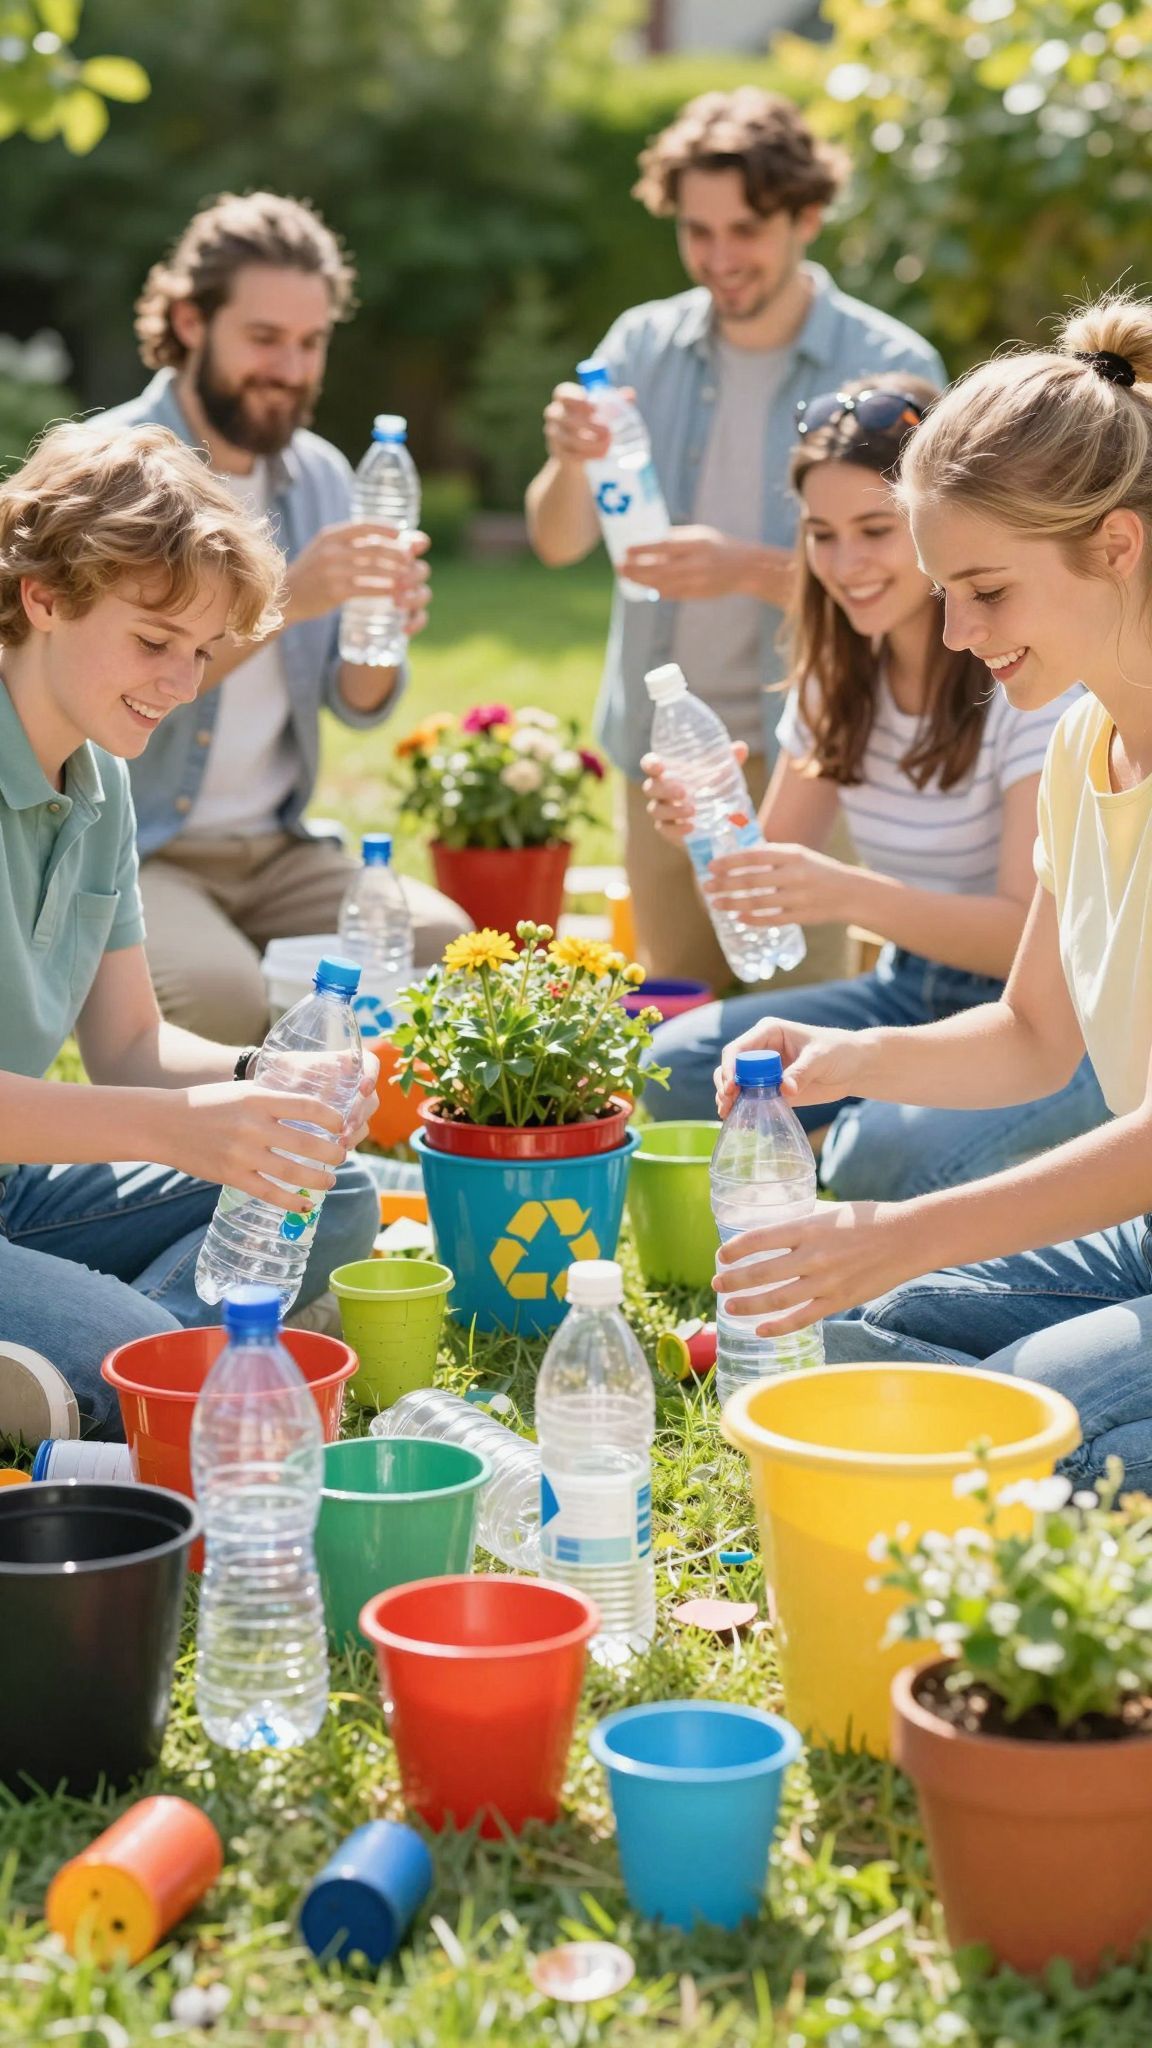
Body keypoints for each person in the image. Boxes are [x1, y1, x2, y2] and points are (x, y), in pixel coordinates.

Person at [711, 293, 1152, 1491]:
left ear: (1117, 545)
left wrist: (906, 1227)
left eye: (988, 589)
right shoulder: (1081, 745)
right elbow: (1031, 1034)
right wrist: (844, 1057)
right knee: (859, 1339)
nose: (954, 631)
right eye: (943, 588)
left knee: (1034, 1437)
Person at [0, 421, 380, 1442]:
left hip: (14, 1183)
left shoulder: (101, 777)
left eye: (202, 651)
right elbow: (144, 1102)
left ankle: (83, 1366)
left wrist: (271, 1081)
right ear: (44, 594)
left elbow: (130, 1041)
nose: (180, 682)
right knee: (136, 1340)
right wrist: (179, 1130)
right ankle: (128, 1360)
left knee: (329, 1179)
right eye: (154, 641)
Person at [641, 376, 1107, 1198]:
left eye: (874, 531)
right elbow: (768, 875)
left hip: (1044, 1016)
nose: (845, 565)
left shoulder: (1028, 679)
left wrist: (847, 895)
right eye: (821, 535)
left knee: (872, 1159)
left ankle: (1031, 1144)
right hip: (907, 990)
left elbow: (1017, 942)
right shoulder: (838, 675)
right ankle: (889, 1128)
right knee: (669, 1068)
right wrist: (710, 828)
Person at [525, 87, 943, 988]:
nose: (719, 259)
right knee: (681, 1033)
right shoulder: (639, 345)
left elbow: (926, 573)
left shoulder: (887, 365)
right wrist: (566, 462)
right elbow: (556, 543)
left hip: (819, 750)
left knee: (805, 1036)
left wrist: (745, 570)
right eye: (696, 231)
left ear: (808, 216)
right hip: (665, 763)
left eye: (745, 229)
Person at [101, 190, 469, 1043]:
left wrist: (383, 621)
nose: (293, 370)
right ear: (191, 321)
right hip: (133, 847)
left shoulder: (325, 478)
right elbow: (98, 695)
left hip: (279, 849)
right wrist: (292, 596)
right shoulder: (116, 475)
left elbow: (361, 701)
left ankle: (366, 1143)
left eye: (311, 344)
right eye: (265, 340)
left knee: (447, 946)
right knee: (221, 998)